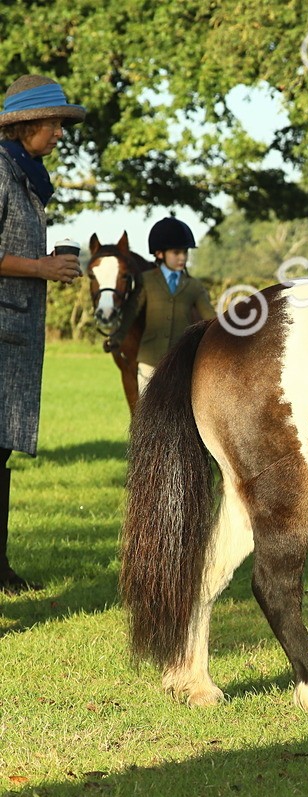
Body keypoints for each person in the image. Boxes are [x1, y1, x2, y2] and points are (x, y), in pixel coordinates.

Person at [0, 75, 87, 592]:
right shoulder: (0, 170)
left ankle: (0, 568)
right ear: (28, 123)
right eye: (54, 123)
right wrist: (40, 267)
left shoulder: (26, 174)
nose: (59, 133)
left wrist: (47, 263)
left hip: (13, 332)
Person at [105, 217, 215, 392]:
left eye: (185, 252)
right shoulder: (146, 281)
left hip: (181, 362)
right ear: (159, 254)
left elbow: (210, 317)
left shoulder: (194, 286)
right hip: (149, 361)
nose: (182, 258)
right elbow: (131, 312)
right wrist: (116, 338)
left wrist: (228, 333)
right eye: (176, 253)